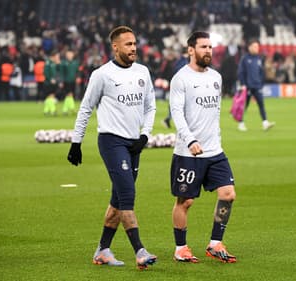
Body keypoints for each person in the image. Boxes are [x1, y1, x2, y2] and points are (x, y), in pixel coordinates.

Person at [67, 26, 157, 270]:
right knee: (127, 194)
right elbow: (86, 108)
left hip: (134, 144)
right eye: (128, 44)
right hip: (111, 141)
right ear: (115, 47)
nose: (134, 48)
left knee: (117, 199)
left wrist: (145, 135)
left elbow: (150, 107)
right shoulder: (102, 74)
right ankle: (140, 250)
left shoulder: (143, 72)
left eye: (135, 43)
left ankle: (102, 250)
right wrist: (76, 142)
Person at [169, 31, 237, 263]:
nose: (208, 50)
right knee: (185, 202)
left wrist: (213, 140)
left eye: (210, 47)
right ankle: (181, 248)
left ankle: (215, 243)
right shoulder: (181, 78)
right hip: (188, 152)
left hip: (214, 151)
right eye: (203, 47)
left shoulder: (216, 77)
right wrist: (190, 140)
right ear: (190, 50)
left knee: (228, 194)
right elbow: (176, 113)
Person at [237, 38, 275, 131]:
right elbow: (241, 72)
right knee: (245, 105)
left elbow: (261, 72)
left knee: (261, 104)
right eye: (254, 46)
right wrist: (243, 84)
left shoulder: (259, 58)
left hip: (257, 86)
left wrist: (261, 83)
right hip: (247, 86)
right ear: (249, 47)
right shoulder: (245, 59)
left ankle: (265, 123)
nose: (257, 48)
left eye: (257, 46)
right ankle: (241, 123)